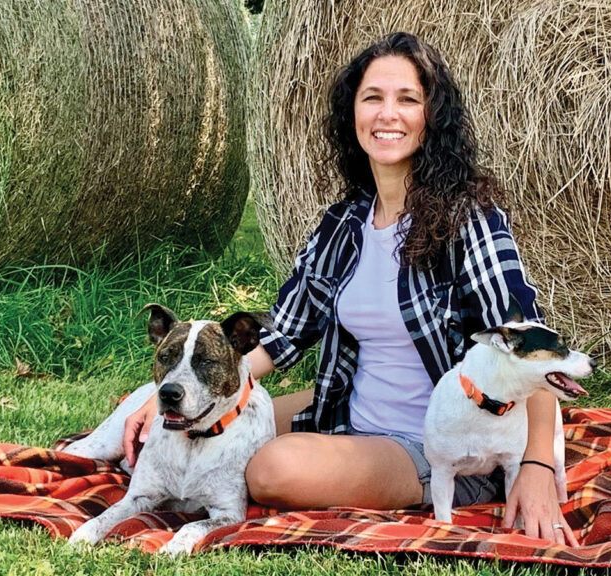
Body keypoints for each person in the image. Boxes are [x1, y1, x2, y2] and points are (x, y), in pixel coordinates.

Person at [122, 32, 578, 547]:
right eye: (373, 98)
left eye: (408, 99)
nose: (388, 114)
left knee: (271, 470)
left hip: (441, 440)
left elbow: (530, 341)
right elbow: (282, 336)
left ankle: (447, 484)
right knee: (196, 422)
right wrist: (174, 402)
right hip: (343, 410)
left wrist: (537, 464)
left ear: (432, 118)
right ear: (353, 114)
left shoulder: (468, 221)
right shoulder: (343, 225)